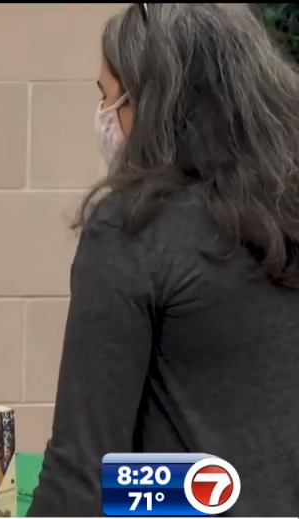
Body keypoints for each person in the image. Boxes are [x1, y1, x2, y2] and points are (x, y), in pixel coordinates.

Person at [29, 4, 299, 516]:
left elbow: (83, 471)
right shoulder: (282, 217)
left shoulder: (133, 229)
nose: (104, 115)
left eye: (109, 96)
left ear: (153, 105)